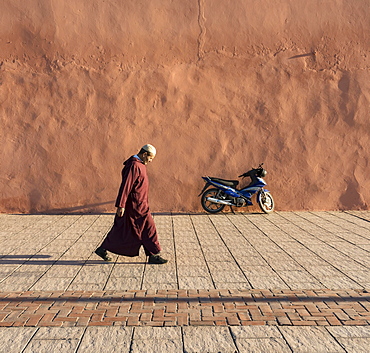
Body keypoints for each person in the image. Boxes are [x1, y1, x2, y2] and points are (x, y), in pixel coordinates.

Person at [95, 144, 168, 264]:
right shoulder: (133, 166)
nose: (150, 161)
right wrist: (121, 205)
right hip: (135, 206)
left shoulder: (140, 165)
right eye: (150, 158)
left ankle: (103, 249)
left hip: (141, 204)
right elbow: (126, 186)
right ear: (144, 154)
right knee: (148, 228)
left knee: (127, 229)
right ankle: (153, 254)